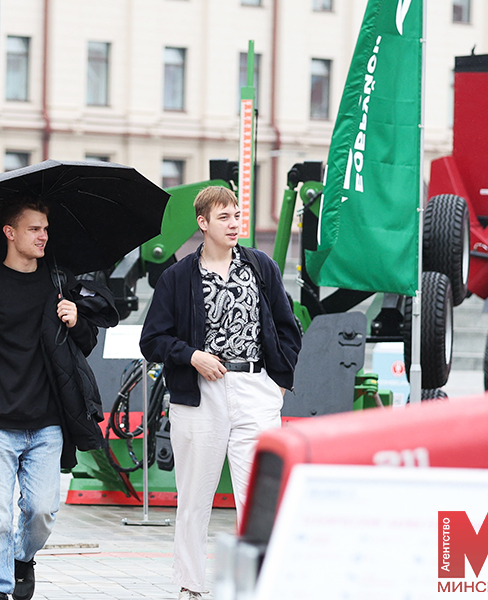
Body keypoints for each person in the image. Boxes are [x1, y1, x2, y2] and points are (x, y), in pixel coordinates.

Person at [0, 197, 117, 600]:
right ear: (10, 233)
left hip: (48, 421)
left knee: (41, 512)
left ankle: (22, 558)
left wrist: (77, 320)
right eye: (34, 228)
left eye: (45, 228)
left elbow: (85, 345)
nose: (44, 236)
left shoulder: (58, 282)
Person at [140, 186, 302, 600]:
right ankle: (190, 585)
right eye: (224, 217)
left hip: (256, 389)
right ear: (203, 223)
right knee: (195, 497)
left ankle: (257, 584)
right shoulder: (178, 277)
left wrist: (278, 383)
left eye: (236, 215)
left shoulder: (260, 266)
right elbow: (152, 339)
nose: (234, 224)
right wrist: (192, 356)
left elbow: (287, 327)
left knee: (258, 495)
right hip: (200, 395)